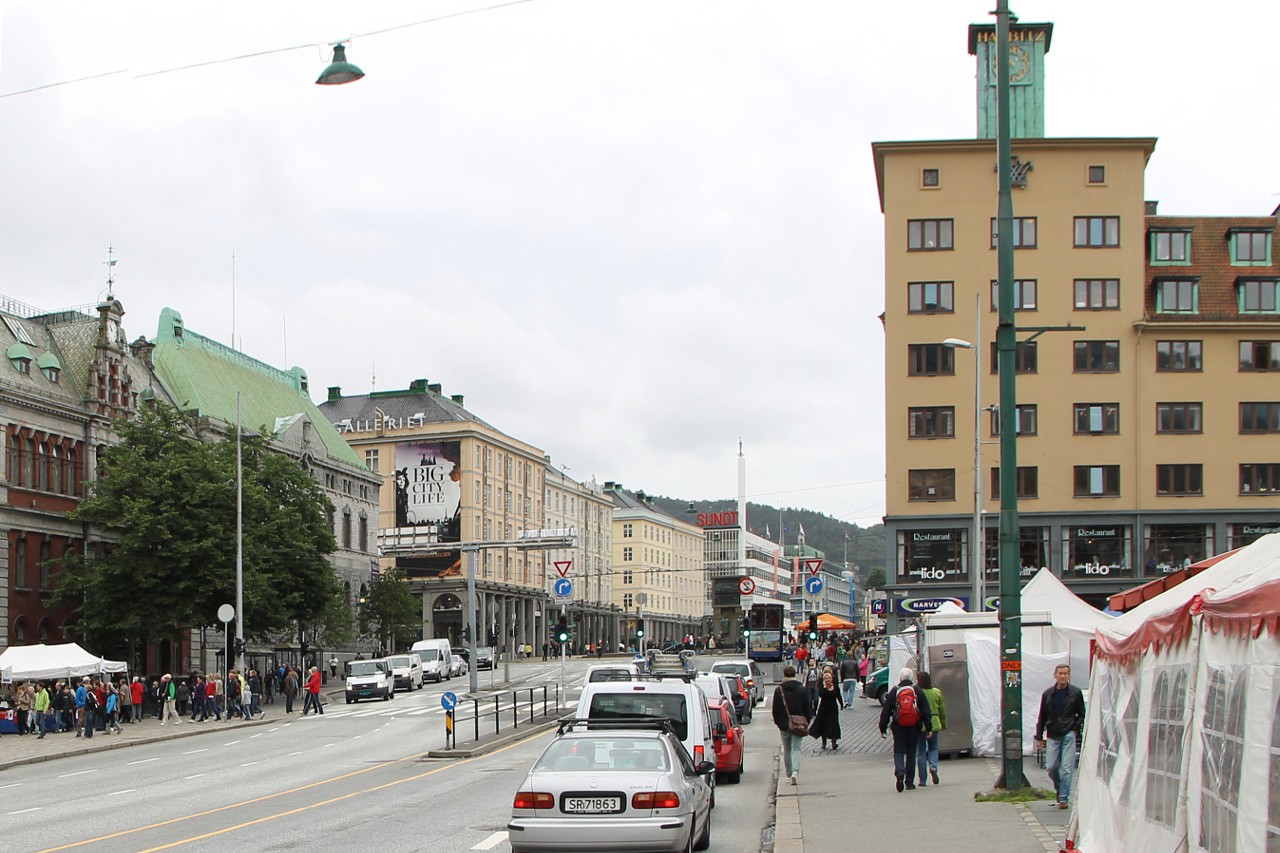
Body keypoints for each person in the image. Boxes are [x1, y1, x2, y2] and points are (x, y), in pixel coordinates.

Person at [1035, 664, 1086, 811]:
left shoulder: (1075, 693)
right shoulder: (1048, 694)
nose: (1063, 676)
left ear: (1069, 675)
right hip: (1053, 733)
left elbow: (1081, 713)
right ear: (1055, 675)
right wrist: (1039, 736)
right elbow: (1042, 715)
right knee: (1051, 767)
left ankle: (1063, 798)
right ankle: (1059, 787)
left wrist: (1074, 727)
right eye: (1060, 673)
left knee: (1067, 768)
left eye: (1065, 673)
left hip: (1068, 733)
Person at [879, 668, 932, 792]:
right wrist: (928, 727)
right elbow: (925, 710)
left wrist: (883, 727)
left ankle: (900, 772)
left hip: (899, 726)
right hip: (914, 726)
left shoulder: (894, 691)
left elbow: (886, 711)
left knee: (898, 751)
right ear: (911, 677)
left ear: (900, 678)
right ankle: (909, 782)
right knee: (911, 753)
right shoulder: (917, 690)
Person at [771, 665, 812, 786]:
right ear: (794, 675)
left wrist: (779, 723)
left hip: (784, 724)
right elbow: (808, 708)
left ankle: (789, 774)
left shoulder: (779, 690)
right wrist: (806, 721)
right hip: (799, 724)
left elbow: (775, 710)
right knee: (796, 748)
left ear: (784, 675)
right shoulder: (801, 689)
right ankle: (795, 772)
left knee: (787, 749)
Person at [915, 671, 946, 786]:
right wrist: (943, 723)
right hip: (934, 722)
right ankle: (933, 767)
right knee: (933, 748)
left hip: (920, 723)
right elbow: (942, 711)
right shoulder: (937, 692)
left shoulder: (917, 692)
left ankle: (922, 780)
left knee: (921, 751)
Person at [810, 667, 845, 750]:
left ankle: (834, 742)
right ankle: (824, 742)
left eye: (829, 678)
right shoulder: (822, 687)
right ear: (824, 679)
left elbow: (838, 696)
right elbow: (821, 694)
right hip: (823, 709)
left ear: (831, 679)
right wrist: (826, 687)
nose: (828, 679)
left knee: (834, 724)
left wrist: (841, 704)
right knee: (824, 725)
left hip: (833, 709)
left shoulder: (836, 687)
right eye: (826, 678)